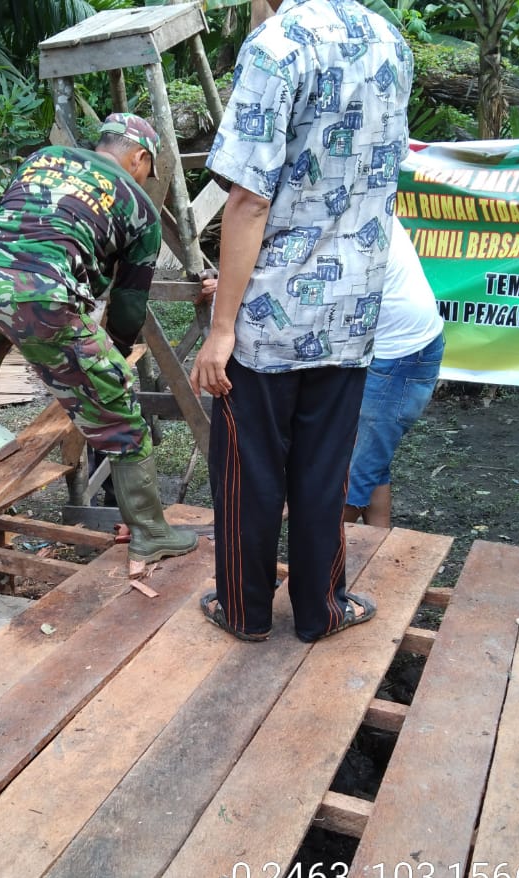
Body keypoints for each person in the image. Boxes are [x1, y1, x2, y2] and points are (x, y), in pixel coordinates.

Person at [190, 0, 413, 642]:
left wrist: (222, 327)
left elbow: (247, 199)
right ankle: (321, 611)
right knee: (323, 472)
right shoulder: (389, 41)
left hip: (270, 317)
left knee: (249, 471)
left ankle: (245, 611)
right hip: (352, 308)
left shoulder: (276, 44)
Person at [0, 113, 198, 562]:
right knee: (121, 415)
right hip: (39, 291)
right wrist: (107, 362)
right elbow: (129, 306)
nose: (146, 178)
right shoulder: (139, 206)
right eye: (148, 170)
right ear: (139, 157)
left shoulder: (43, 158)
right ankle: (152, 533)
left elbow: (22, 221)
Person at [344, 219, 445, 526]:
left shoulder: (347, 215)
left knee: (351, 476)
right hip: (400, 348)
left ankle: (316, 569)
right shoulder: (365, 195)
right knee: (372, 463)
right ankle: (381, 550)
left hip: (399, 355)